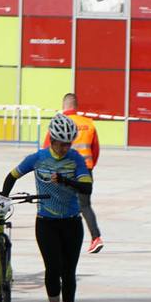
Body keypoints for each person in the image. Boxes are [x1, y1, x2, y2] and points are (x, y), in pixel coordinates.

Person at [0, 114, 93, 302]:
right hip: (46, 223)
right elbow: (12, 176)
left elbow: (87, 188)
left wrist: (65, 180)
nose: (64, 148)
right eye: (61, 144)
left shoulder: (76, 159)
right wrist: (3, 196)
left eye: (68, 144)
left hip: (71, 223)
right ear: (52, 140)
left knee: (69, 271)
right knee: (52, 269)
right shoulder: (38, 158)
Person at [41, 93, 103, 253]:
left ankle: (60, 241)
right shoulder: (89, 123)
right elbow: (95, 150)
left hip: (64, 171)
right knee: (85, 205)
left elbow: (47, 148)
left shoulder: (58, 123)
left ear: (63, 106)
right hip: (85, 171)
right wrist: (89, 168)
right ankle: (96, 238)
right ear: (76, 106)